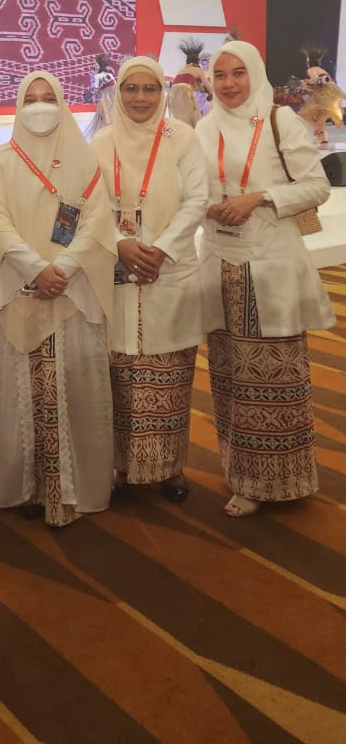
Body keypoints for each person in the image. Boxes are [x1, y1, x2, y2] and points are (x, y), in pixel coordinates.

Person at [0, 71, 115, 527]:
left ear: (64, 102)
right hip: (15, 290)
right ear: (18, 104)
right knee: (18, 394)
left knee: (69, 391)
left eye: (49, 97)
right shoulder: (2, 161)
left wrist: (62, 268)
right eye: (31, 99)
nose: (41, 106)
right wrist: (35, 268)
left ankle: (66, 490)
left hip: (72, 294)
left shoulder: (86, 161)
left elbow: (97, 222)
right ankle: (22, 488)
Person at [195, 40, 334, 517]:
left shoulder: (280, 121)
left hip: (269, 266)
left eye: (238, 73)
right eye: (220, 75)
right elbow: (193, 189)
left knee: (274, 377)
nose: (229, 83)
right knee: (229, 377)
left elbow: (316, 186)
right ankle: (243, 476)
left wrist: (258, 198)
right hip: (220, 264)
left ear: (255, 74)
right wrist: (208, 206)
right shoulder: (205, 126)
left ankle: (283, 478)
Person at [90, 57, 208, 500]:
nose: (140, 98)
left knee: (171, 374)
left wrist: (161, 249)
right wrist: (120, 244)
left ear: (163, 92)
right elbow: (88, 207)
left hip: (170, 270)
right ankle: (121, 466)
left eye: (150, 89)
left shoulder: (184, 138)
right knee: (120, 377)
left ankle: (170, 468)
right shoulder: (101, 144)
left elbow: (197, 200)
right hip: (117, 270)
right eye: (131, 89)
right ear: (118, 92)